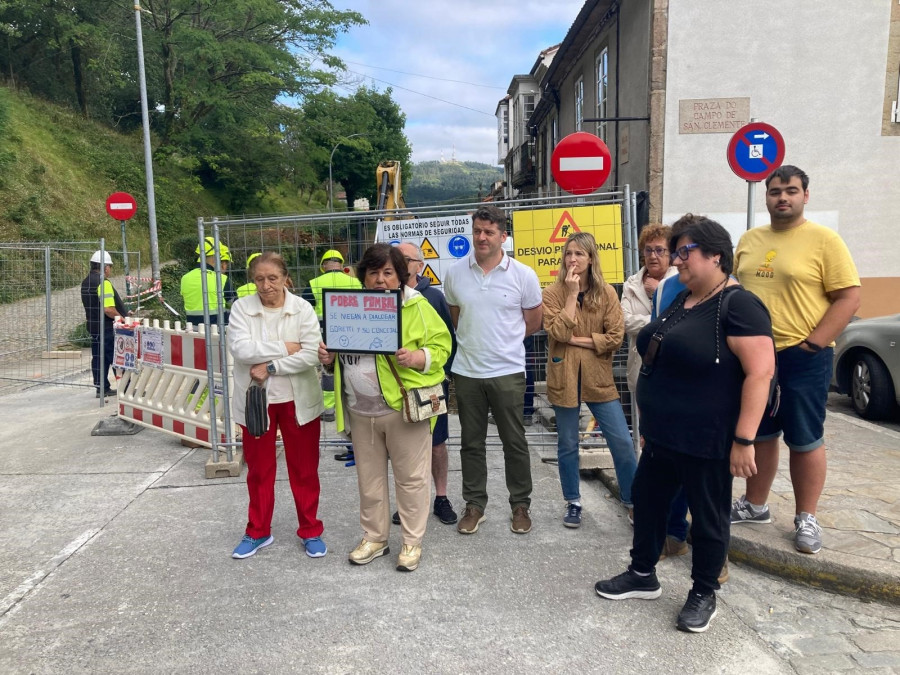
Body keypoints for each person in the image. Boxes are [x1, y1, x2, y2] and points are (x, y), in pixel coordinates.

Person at [595, 218, 775, 634]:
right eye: (675, 252)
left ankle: (704, 592)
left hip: (707, 437)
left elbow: (760, 373)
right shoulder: (683, 299)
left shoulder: (738, 305)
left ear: (716, 255)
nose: (676, 260)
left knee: (709, 517)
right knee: (648, 500)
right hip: (663, 434)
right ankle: (642, 573)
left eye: (684, 251)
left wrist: (745, 439)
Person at [733, 165, 860, 555]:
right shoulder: (750, 240)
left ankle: (807, 516)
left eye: (790, 191)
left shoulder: (824, 241)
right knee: (761, 434)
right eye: (775, 192)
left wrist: (815, 344)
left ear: (806, 196)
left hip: (802, 356)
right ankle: (755, 505)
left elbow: (849, 297)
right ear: (766, 196)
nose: (782, 198)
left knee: (804, 438)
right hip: (756, 359)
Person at [317, 243, 451, 572]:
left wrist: (418, 358)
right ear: (363, 276)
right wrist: (329, 360)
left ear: (400, 276)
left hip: (401, 409)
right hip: (360, 412)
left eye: (388, 272)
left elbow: (443, 346)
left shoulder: (417, 307)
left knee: (411, 479)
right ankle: (375, 538)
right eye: (374, 272)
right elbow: (339, 356)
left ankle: (410, 542)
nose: (380, 279)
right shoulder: (348, 308)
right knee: (370, 479)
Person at [443, 205, 543, 536]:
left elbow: (533, 321)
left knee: (514, 441)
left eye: (489, 232)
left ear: (503, 236)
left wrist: (505, 343)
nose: (481, 237)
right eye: (477, 231)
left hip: (508, 372)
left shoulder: (523, 275)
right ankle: (474, 506)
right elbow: (457, 317)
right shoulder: (455, 273)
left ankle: (520, 505)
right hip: (468, 371)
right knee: (471, 443)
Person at [227, 252, 326, 560]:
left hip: (297, 400)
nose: (266, 286)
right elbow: (241, 349)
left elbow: (311, 354)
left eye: (272, 278)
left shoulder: (302, 309)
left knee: (305, 469)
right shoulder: (242, 308)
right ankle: (258, 531)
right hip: (257, 402)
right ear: (252, 281)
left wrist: (270, 366)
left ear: (285, 278)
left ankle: (310, 530)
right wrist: (286, 348)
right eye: (259, 279)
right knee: (259, 470)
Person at [543, 232, 637, 528]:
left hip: (598, 378)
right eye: (569, 254)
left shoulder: (606, 292)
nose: (573, 259)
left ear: (591, 258)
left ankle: (633, 500)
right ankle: (573, 501)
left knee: (622, 440)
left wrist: (579, 340)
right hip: (565, 375)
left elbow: (616, 338)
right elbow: (558, 334)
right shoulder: (552, 293)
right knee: (568, 443)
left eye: (579, 254)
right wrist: (571, 295)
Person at [395, 241, 458, 525]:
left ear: (420, 265)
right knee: (405, 449)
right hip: (397, 388)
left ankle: (441, 497)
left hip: (431, 386)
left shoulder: (432, 297)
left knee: (436, 443)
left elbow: (448, 341)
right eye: (396, 258)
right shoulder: (384, 297)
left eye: (406, 259)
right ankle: (410, 502)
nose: (400, 263)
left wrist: (443, 376)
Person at [302, 249, 362, 423]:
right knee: (353, 368)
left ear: (323, 266)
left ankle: (328, 410)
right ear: (342, 265)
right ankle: (354, 405)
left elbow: (304, 310)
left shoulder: (314, 283)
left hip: (326, 333)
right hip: (353, 333)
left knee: (328, 370)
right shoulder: (355, 282)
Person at [621, 224, 676, 395]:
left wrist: (658, 291)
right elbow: (624, 322)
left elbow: (679, 321)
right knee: (643, 420)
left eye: (660, 250)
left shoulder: (680, 282)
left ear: (670, 253)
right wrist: (658, 321)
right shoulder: (631, 284)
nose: (653, 256)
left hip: (670, 364)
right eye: (648, 250)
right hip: (640, 364)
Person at [80, 250, 129, 398]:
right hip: (107, 328)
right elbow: (108, 309)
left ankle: (101, 388)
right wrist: (122, 318)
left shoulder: (86, 282)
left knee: (99, 359)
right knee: (117, 358)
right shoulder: (104, 282)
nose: (110, 270)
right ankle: (126, 390)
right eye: (110, 267)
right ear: (105, 267)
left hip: (94, 327)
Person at [180, 236, 237, 325]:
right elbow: (233, 305)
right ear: (215, 257)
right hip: (218, 331)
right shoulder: (221, 279)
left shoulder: (185, 278)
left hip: (194, 330)